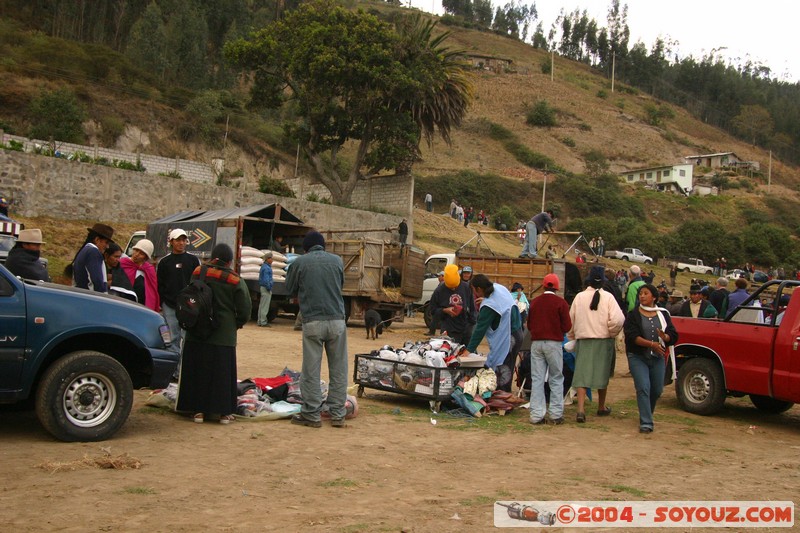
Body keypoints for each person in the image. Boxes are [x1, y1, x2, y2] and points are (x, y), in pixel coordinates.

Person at [176, 244, 252, 425]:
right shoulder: (234, 279)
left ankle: (197, 411)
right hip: (223, 334)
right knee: (221, 373)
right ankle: (223, 413)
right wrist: (237, 323)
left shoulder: (198, 271)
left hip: (197, 330)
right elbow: (245, 308)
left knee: (198, 370)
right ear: (229, 260)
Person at [286, 231, 349, 428]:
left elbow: (289, 289)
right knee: (339, 369)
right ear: (323, 245)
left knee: (311, 370)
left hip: (312, 321)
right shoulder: (337, 261)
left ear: (306, 248)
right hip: (337, 321)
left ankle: (311, 414)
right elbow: (340, 284)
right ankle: (338, 414)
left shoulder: (299, 262)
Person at [568, 266, 625, 423]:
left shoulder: (579, 297)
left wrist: (573, 335)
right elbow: (618, 319)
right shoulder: (608, 298)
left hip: (584, 340)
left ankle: (580, 410)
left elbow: (570, 320)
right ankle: (601, 406)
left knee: (582, 374)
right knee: (602, 373)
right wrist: (611, 332)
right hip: (603, 340)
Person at [624, 284, 678, 434]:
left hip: (658, 357)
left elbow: (673, 335)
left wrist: (665, 337)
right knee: (643, 387)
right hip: (638, 356)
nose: (642, 296)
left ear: (654, 297)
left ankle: (647, 412)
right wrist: (651, 344)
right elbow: (632, 336)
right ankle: (646, 422)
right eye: (640, 293)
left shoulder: (663, 314)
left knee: (657, 390)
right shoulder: (633, 314)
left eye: (645, 293)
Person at [527, 273, 572, 425]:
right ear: (557, 287)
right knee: (556, 377)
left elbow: (530, 325)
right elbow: (567, 326)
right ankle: (555, 414)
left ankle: (536, 415)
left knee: (537, 378)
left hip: (536, 343)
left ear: (544, 285)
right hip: (553, 343)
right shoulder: (561, 303)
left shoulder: (534, 302)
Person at [464, 274, 515, 383]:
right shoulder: (498, 288)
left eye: (474, 290)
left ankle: (500, 395)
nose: (474, 294)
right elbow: (502, 302)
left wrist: (468, 351)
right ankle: (506, 394)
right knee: (508, 367)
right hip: (517, 333)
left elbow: (479, 330)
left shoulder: (489, 306)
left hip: (508, 338)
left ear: (479, 289)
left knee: (501, 372)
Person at [157, 229, 201, 354]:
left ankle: (186, 370)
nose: (181, 243)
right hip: (170, 305)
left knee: (188, 338)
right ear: (171, 242)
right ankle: (174, 372)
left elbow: (198, 283)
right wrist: (162, 303)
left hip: (189, 305)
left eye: (183, 240)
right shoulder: (164, 262)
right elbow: (160, 284)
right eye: (178, 240)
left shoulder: (193, 260)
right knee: (172, 338)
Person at [429, 264, 475, 344]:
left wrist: (471, 324)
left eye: (455, 287)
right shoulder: (439, 291)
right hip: (448, 328)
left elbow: (472, 308)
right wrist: (444, 310)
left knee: (467, 355)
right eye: (451, 288)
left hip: (465, 328)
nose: (453, 289)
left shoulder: (466, 287)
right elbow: (432, 310)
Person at [68, 223, 115, 292]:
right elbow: (97, 281)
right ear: (97, 240)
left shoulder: (86, 250)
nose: (107, 246)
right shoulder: (93, 252)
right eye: (106, 242)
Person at [120, 239, 160, 312]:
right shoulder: (123, 263)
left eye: (141, 253)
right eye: (136, 250)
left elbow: (152, 292)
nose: (136, 254)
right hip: (123, 304)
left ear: (146, 257)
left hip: (141, 307)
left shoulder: (149, 270)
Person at [257, 251, 274, 327]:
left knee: (262, 305)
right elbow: (266, 280)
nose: (272, 260)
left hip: (262, 287)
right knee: (265, 306)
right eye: (271, 258)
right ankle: (263, 322)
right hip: (266, 288)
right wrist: (269, 287)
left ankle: (260, 321)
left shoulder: (263, 266)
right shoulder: (267, 268)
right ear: (267, 259)